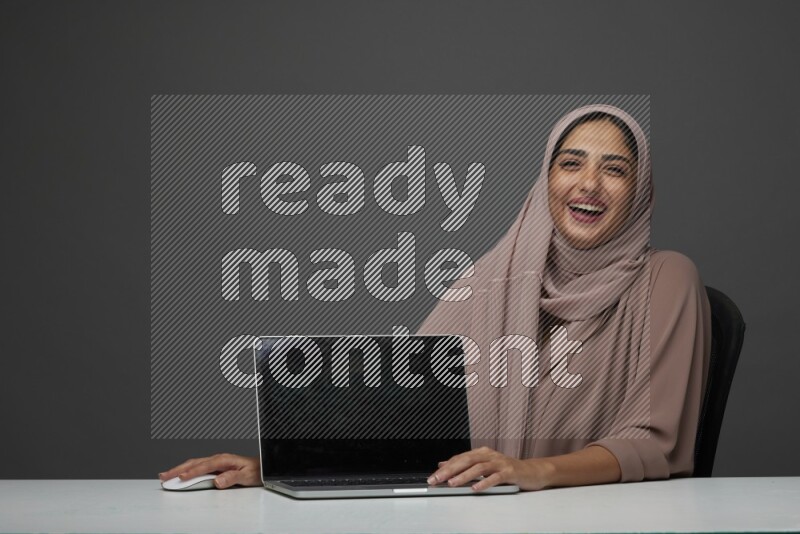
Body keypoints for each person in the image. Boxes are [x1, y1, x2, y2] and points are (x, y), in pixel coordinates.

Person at [159, 104, 711, 492]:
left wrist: (533, 471)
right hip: (483, 514)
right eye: (571, 163)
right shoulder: (491, 279)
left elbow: (654, 443)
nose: (589, 183)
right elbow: (398, 410)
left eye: (614, 170)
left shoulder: (666, 280)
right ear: (545, 182)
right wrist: (284, 466)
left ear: (637, 191)